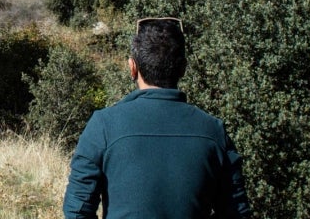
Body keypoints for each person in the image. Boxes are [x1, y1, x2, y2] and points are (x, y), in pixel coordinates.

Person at [63, 17, 251, 218]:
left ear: (132, 67)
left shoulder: (103, 126)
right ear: (183, 68)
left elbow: (77, 210)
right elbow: (237, 213)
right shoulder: (214, 131)